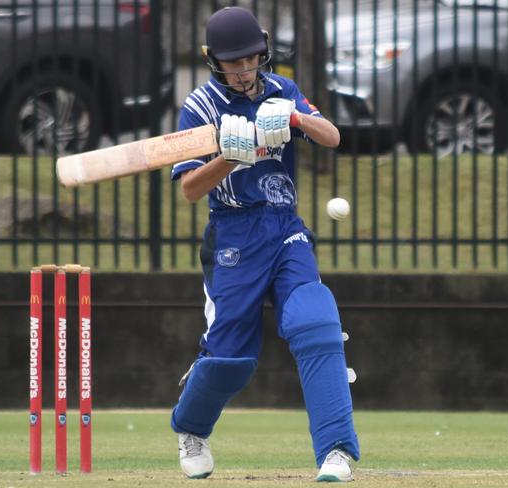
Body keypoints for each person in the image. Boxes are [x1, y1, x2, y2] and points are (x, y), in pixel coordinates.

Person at [169, 6, 361, 483]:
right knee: (232, 361)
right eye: (232, 62)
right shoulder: (199, 107)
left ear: (263, 51)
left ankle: (336, 452)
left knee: (315, 320)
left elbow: (332, 137)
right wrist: (231, 157)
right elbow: (190, 189)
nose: (243, 70)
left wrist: (294, 116)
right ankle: (191, 428)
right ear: (215, 61)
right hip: (232, 234)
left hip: (284, 226)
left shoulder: (282, 90)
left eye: (250, 59)